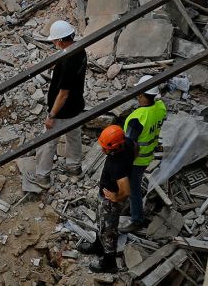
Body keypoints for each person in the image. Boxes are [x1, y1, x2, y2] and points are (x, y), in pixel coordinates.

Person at [32, 20, 86, 188]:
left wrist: (51, 115)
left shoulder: (67, 61)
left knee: (48, 142)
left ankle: (42, 176)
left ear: (61, 40)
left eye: (55, 40)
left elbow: (63, 94)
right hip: (77, 106)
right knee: (74, 138)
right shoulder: (80, 51)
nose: (54, 43)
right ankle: (74, 168)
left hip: (62, 110)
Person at [78, 125, 135, 274]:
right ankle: (98, 245)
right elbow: (137, 150)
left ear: (115, 147)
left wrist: (115, 197)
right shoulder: (127, 143)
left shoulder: (116, 163)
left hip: (110, 202)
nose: (102, 150)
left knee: (108, 230)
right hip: (106, 197)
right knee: (101, 223)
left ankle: (109, 262)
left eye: (105, 148)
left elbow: (126, 190)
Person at [122, 75, 167, 231]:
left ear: (141, 95)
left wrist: (124, 163)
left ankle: (137, 219)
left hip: (136, 160)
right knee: (135, 182)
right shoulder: (160, 108)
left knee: (133, 187)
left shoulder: (138, 118)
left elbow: (129, 145)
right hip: (148, 156)